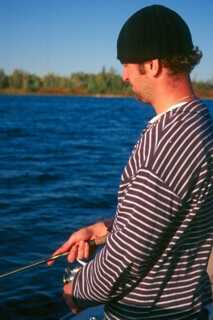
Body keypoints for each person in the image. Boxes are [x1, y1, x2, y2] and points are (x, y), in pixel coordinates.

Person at [49, 4, 213, 320]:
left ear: (151, 65)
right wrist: (103, 230)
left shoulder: (167, 144)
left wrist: (78, 289)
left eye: (126, 64)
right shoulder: (201, 124)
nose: (123, 76)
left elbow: (124, 260)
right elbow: (173, 220)